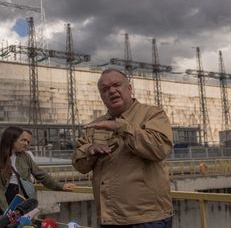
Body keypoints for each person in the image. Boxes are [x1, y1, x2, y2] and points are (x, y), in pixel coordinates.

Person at [72, 68, 173, 227]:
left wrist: (120, 126)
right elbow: (79, 164)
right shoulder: (95, 125)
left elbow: (159, 148)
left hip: (147, 219)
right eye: (104, 89)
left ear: (129, 88)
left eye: (116, 85)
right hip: (110, 218)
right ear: (101, 96)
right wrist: (89, 151)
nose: (111, 91)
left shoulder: (152, 114)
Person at [0, 126, 76, 212]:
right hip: (5, 201)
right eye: (23, 140)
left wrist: (61, 186)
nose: (26, 144)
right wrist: (6, 211)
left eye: (28, 141)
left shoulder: (25, 157)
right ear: (12, 140)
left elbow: (40, 174)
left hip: (21, 199)